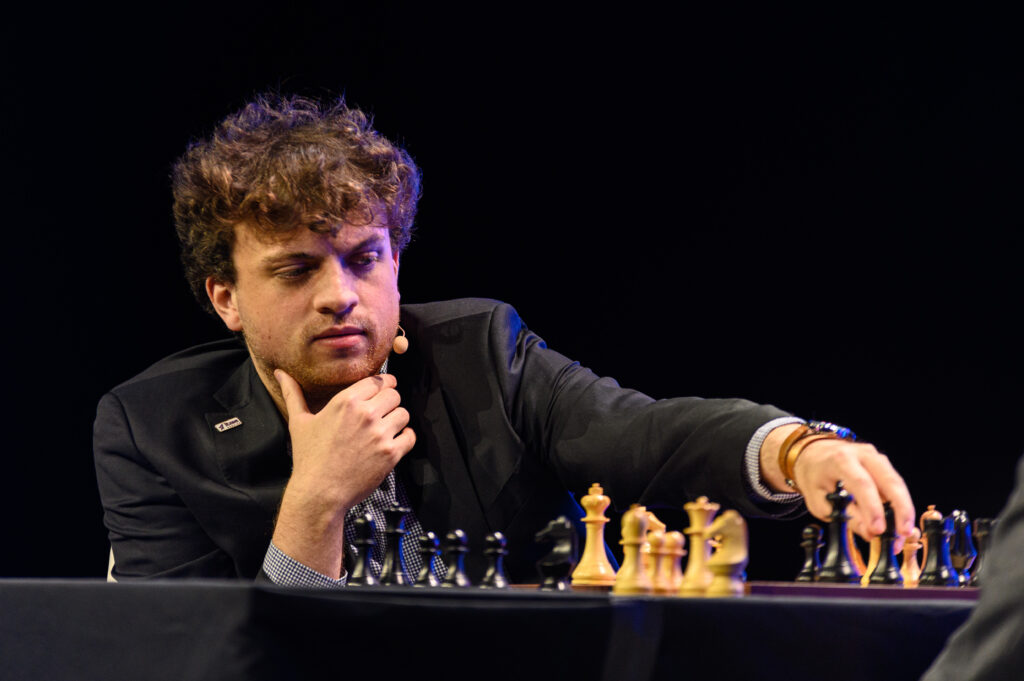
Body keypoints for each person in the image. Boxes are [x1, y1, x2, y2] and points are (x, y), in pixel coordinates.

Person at [93, 94, 914, 586]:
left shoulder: (480, 353)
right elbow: (189, 659)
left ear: (396, 260)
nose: (340, 294)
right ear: (227, 297)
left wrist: (798, 448)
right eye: (297, 268)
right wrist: (316, 501)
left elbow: (643, 433)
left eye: (364, 257)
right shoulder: (153, 428)